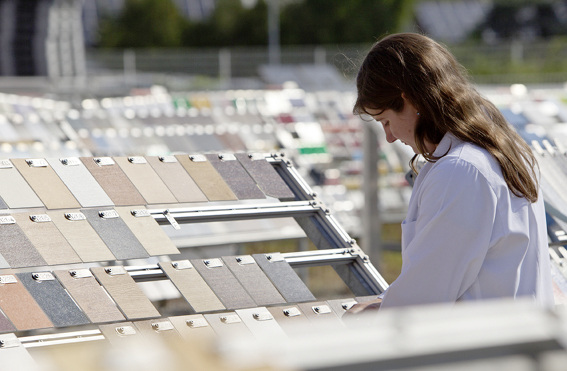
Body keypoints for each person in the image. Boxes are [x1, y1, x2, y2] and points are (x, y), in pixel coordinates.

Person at [349, 32, 554, 312]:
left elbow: (422, 301)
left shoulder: (460, 171)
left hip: (479, 349)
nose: (390, 137)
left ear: (408, 100)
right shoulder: (505, 149)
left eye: (386, 121)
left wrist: (364, 315)